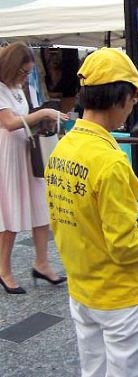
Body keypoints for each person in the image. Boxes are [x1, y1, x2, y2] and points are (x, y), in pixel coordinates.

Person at [45, 47, 138, 377]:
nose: (135, 104)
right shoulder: (111, 162)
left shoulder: (64, 148)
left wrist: (127, 207)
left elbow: (75, 210)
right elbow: (124, 247)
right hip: (121, 297)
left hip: (82, 289)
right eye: (134, 96)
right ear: (120, 97)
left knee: (93, 370)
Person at [0, 41, 68, 294]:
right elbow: (9, 123)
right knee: (10, 213)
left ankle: (42, 262)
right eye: (23, 71)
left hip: (26, 152)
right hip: (8, 154)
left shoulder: (17, 87)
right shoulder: (1, 89)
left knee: (41, 207)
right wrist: (44, 114)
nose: (26, 76)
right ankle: (4, 269)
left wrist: (43, 118)